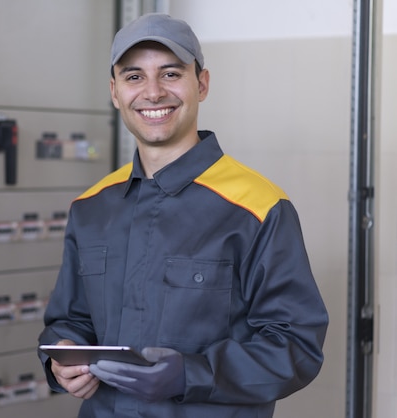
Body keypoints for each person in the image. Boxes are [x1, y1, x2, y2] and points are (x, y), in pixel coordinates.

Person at [37, 12, 328, 418]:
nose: (153, 93)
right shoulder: (92, 206)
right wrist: (62, 356)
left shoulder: (257, 208)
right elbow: (70, 319)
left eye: (171, 74)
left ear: (201, 84)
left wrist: (191, 375)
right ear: (115, 91)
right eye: (134, 77)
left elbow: (296, 346)